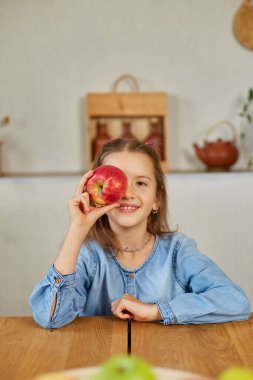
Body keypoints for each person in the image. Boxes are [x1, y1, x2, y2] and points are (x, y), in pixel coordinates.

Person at [29, 138, 251, 329]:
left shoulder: (178, 251)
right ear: (93, 193)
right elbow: (50, 318)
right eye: (117, 182)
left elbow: (236, 303)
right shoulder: (87, 255)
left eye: (141, 183)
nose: (127, 193)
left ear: (157, 199)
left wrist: (155, 312)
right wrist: (78, 229)